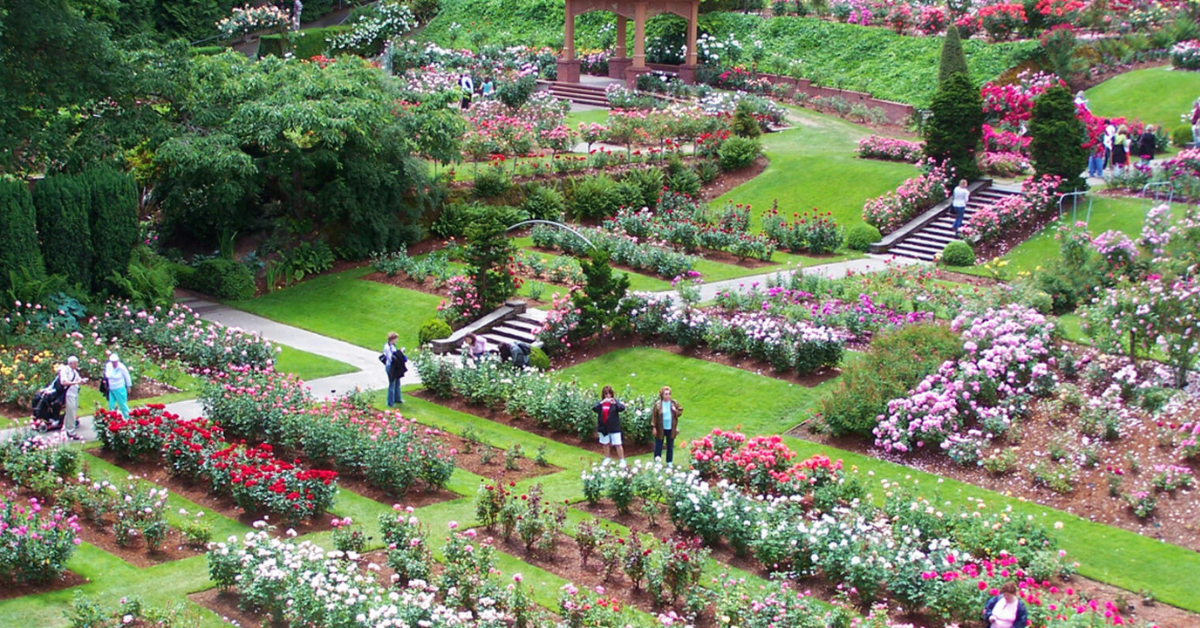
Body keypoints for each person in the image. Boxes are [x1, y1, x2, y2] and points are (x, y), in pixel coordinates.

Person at [651, 386, 683, 464]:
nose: (668, 396)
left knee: (670, 446)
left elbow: (680, 411)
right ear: (662, 395)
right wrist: (654, 427)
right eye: (666, 394)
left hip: (671, 428)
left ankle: (669, 462)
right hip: (660, 428)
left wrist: (675, 411)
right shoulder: (658, 404)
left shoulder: (674, 403)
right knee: (658, 445)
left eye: (669, 394)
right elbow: (654, 416)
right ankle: (657, 462)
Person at [593, 385, 626, 462]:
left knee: (618, 444)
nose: (608, 396)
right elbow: (594, 408)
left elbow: (622, 408)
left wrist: (615, 403)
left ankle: (622, 460)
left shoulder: (615, 402)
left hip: (614, 428)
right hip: (604, 428)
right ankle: (607, 458)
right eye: (606, 394)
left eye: (609, 394)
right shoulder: (601, 403)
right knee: (605, 443)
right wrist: (602, 402)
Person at [58, 356, 85, 438]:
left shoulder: (74, 371)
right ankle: (71, 431)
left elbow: (78, 379)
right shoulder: (65, 371)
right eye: (76, 363)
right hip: (69, 394)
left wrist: (82, 381)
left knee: (72, 411)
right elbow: (63, 382)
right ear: (71, 363)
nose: (77, 365)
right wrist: (75, 382)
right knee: (71, 412)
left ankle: (65, 428)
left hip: (74, 393)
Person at [383, 331, 407, 407]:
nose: (396, 340)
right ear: (392, 339)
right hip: (391, 367)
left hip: (395, 366)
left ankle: (397, 398)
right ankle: (390, 402)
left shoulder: (391, 346)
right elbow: (391, 358)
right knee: (392, 384)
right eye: (396, 338)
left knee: (397, 383)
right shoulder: (388, 347)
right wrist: (400, 352)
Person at [105, 353, 132, 417]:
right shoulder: (108, 366)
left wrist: (128, 386)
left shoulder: (121, 367)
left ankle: (128, 418)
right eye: (112, 362)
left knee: (122, 404)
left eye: (115, 362)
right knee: (111, 404)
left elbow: (127, 376)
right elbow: (107, 375)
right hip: (111, 388)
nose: (114, 364)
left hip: (119, 387)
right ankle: (112, 418)